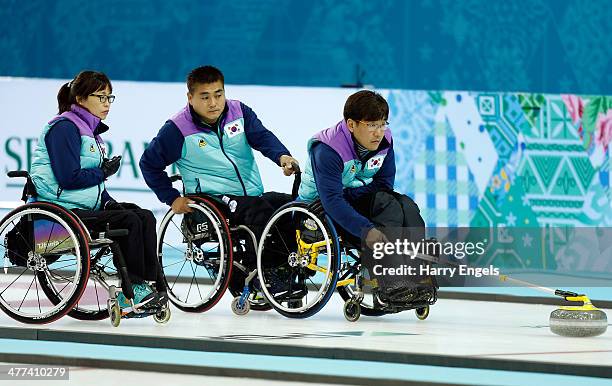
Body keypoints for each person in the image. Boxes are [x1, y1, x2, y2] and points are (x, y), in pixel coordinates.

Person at [29, 70, 165, 311]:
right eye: (101, 97)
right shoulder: (64, 128)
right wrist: (103, 172)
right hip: (58, 214)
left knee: (143, 215)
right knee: (130, 221)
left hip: (81, 208)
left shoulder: (89, 131)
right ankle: (132, 289)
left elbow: (93, 186)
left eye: (109, 97)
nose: (107, 103)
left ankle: (149, 285)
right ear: (80, 99)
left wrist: (108, 201)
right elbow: (68, 178)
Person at [139, 65, 299, 259]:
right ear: (190, 98)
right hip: (214, 199)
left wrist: (282, 156)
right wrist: (172, 198)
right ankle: (257, 272)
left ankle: (288, 267)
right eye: (205, 97)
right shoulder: (177, 129)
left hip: (250, 194)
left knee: (290, 207)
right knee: (260, 212)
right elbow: (148, 164)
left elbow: (262, 137)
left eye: (218, 94)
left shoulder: (239, 112)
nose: (213, 103)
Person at [298, 90, 432, 304]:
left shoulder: (385, 141)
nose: (378, 133)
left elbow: (384, 184)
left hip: (352, 198)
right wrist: (367, 230)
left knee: (406, 205)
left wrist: (356, 195)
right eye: (371, 125)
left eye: (382, 124)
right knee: (386, 205)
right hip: (319, 209)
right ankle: (390, 281)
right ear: (351, 125)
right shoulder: (328, 149)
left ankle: (419, 276)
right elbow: (332, 200)